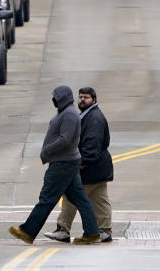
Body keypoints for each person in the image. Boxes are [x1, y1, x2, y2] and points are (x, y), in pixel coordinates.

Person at [9, 85, 102, 245]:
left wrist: (47, 150)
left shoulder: (69, 115)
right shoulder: (66, 112)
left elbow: (65, 139)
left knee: (47, 198)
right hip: (66, 162)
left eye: (56, 97)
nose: (54, 100)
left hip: (63, 163)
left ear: (63, 98)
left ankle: (27, 232)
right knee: (80, 199)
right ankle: (92, 233)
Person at [44, 87, 113, 242]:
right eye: (80, 97)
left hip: (90, 168)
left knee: (71, 196)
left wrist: (82, 162)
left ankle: (63, 229)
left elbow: (92, 145)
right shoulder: (88, 115)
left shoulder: (94, 118)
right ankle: (104, 230)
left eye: (86, 97)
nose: (82, 100)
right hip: (99, 168)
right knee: (100, 199)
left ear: (94, 100)